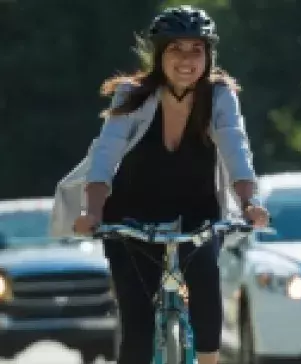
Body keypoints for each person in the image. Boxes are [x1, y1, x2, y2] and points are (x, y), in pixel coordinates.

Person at [73, 5, 269, 364]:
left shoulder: (220, 96)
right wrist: (93, 211)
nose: (186, 59)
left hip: (198, 211)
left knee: (206, 286)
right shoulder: (133, 95)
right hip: (130, 215)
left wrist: (249, 202)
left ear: (208, 56)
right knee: (138, 325)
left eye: (196, 50)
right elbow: (106, 154)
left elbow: (235, 147)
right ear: (159, 55)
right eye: (176, 49)